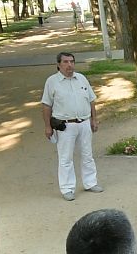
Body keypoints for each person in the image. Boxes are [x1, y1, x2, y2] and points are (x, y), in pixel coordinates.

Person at [41, 51, 102, 201]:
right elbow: (46, 105)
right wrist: (48, 126)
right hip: (65, 126)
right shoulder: (52, 82)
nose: (70, 65)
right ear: (58, 64)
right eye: (66, 62)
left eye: (72, 62)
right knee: (65, 158)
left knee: (88, 155)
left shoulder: (81, 79)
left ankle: (90, 182)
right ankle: (67, 188)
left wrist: (94, 119)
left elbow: (91, 100)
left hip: (84, 123)